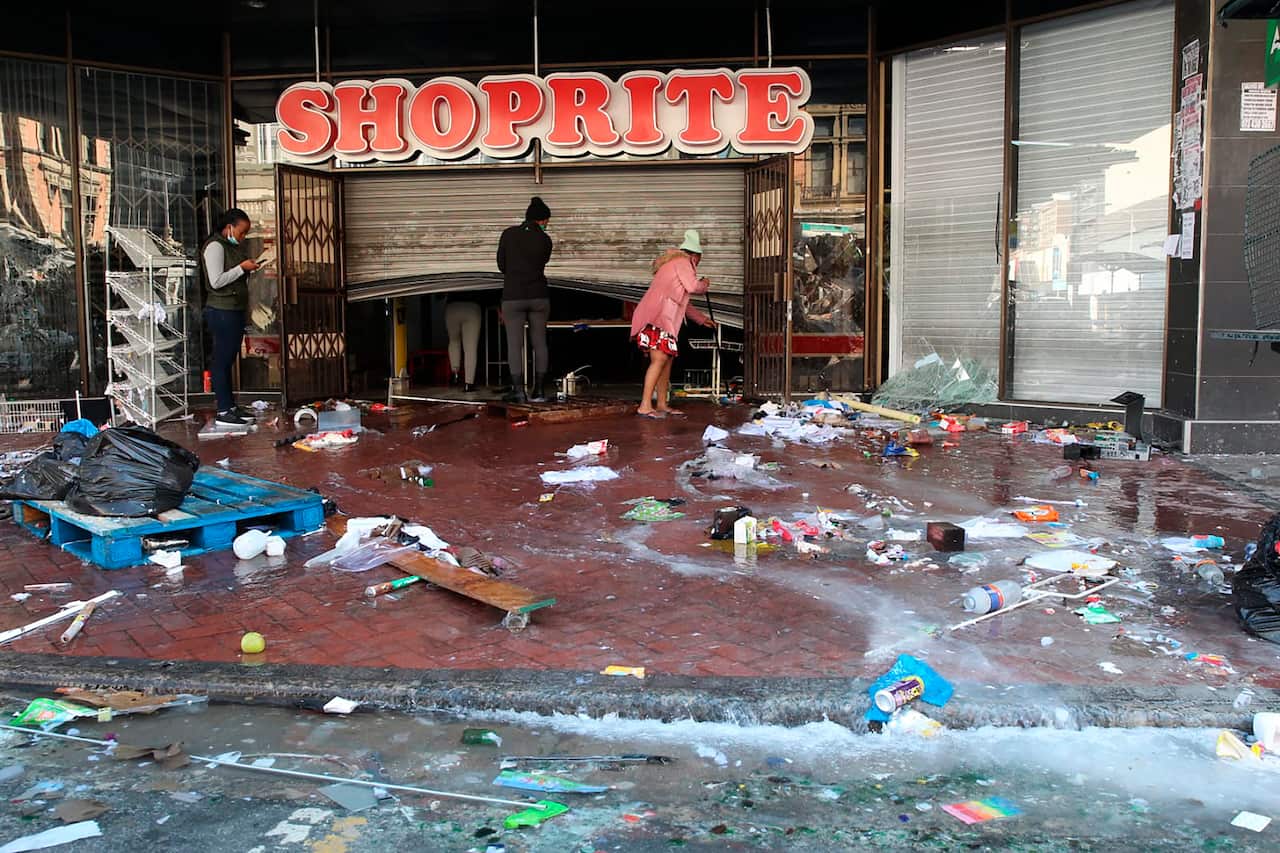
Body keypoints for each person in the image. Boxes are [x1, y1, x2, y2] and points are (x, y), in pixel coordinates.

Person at [630, 229, 715, 418]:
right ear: (695, 255)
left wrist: (702, 320)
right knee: (659, 360)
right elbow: (693, 287)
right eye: (699, 258)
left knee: (666, 361)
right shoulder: (683, 262)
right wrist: (705, 283)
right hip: (657, 318)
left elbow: (684, 302)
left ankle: (661, 403)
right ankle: (645, 405)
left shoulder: (675, 265)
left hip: (663, 320)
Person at [201, 209, 260, 427]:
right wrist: (241, 268)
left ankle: (231, 406)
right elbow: (216, 281)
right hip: (221, 310)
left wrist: (246, 269)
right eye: (242, 232)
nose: (243, 237)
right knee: (222, 360)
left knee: (228, 358)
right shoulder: (215, 246)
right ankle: (224, 409)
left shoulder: (230, 246)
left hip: (233, 309)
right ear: (229, 228)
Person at [496, 196, 552, 403]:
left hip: (513, 296)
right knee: (540, 342)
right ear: (542, 220)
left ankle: (519, 390)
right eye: (547, 221)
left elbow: (501, 265)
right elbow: (543, 261)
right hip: (539, 296)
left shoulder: (509, 235)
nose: (547, 225)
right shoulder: (545, 240)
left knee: (514, 344)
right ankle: (539, 390)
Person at [445, 299, 482, 392]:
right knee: (470, 348)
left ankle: (455, 375)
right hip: (472, 307)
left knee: (454, 341)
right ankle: (468, 384)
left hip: (452, 308)